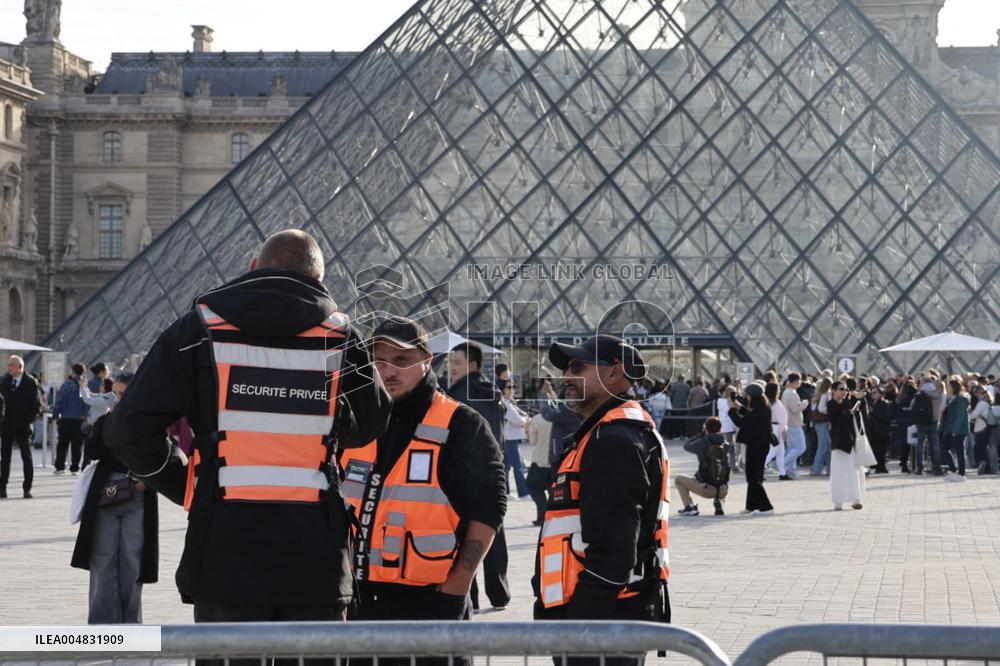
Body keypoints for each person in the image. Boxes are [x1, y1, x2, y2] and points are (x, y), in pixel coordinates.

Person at [105, 229, 391, 625]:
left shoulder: (198, 329)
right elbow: (372, 422)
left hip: (225, 547)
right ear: (318, 280)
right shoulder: (342, 338)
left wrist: (187, 483)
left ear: (253, 267)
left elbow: (127, 429)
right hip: (315, 554)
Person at [340, 317, 504, 663]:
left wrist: (456, 589)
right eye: (379, 361)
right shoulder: (357, 422)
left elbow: (490, 508)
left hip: (431, 607)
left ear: (426, 360)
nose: (388, 371)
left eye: (401, 360)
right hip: (358, 607)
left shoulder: (461, 423)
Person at [533, 335, 669, 636]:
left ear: (614, 372)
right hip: (608, 615)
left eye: (578, 367)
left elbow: (614, 552)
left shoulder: (612, 441)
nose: (566, 376)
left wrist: (578, 626)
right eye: (567, 368)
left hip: (600, 624)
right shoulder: (607, 432)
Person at [72, 373, 158, 624]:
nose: (119, 398)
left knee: (133, 562)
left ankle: (131, 623)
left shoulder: (150, 423)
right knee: (103, 560)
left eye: (124, 393)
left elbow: (165, 455)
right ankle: (101, 624)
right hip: (105, 496)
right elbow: (92, 451)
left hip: (137, 496)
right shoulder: (106, 420)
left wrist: (147, 481)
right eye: (116, 393)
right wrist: (108, 421)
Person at [446, 341, 511, 611]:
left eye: (456, 363)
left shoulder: (460, 394)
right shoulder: (493, 392)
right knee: (493, 533)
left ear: (472, 364)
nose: (451, 369)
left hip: (465, 472)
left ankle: (468, 596)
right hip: (492, 470)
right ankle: (500, 593)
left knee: (465, 537)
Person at [728, 385, 773, 514]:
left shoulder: (758, 410)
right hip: (760, 445)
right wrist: (738, 407)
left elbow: (741, 422)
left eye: (747, 396)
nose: (746, 398)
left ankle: (766, 506)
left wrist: (731, 410)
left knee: (753, 478)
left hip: (756, 446)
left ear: (752, 397)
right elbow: (750, 416)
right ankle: (751, 505)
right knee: (754, 476)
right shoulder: (763, 407)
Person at [1, 356, 41, 499]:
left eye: (11, 365)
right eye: (8, 365)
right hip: (6, 425)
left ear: (20, 367)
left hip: (23, 426)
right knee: (5, 458)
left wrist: (27, 421)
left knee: (26, 456)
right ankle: (2, 488)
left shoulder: (30, 382)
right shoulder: (4, 381)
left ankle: (27, 488)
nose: (9, 367)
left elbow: (36, 406)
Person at [674, 416, 729, 516]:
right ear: (720, 429)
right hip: (723, 490)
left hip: (706, 489)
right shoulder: (725, 444)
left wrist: (702, 434)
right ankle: (719, 501)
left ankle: (689, 507)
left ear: (706, 428)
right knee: (716, 472)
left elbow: (686, 446)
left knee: (678, 479)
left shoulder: (703, 442)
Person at [827, 382, 864, 510]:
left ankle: (856, 499)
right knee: (838, 472)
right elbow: (838, 419)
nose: (844, 391)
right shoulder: (831, 404)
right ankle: (838, 501)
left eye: (846, 389)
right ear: (833, 390)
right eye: (841, 389)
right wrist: (851, 409)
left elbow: (856, 420)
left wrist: (856, 408)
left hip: (850, 442)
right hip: (838, 443)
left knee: (853, 472)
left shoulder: (847, 403)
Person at [53, 363, 89, 475]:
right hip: (79, 419)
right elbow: (88, 401)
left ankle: (60, 467)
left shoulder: (66, 385)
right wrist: (85, 414)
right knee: (77, 445)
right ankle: (74, 467)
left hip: (66, 419)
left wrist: (55, 414)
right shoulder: (84, 385)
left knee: (62, 444)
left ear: (72, 371)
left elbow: (59, 400)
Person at [500, 380, 530, 498]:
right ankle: (524, 493)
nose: (512, 389)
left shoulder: (510, 403)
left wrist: (524, 420)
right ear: (503, 389)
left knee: (505, 467)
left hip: (510, 438)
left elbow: (523, 416)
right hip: (510, 439)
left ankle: (505, 492)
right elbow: (517, 419)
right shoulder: (505, 403)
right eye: (509, 387)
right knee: (518, 467)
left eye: (514, 387)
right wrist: (525, 421)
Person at [940, 379, 970, 482]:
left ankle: (961, 473)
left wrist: (955, 430)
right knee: (944, 448)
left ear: (954, 388)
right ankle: (953, 470)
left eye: (949, 386)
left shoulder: (960, 400)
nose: (947, 387)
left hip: (958, 430)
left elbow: (960, 416)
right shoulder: (950, 399)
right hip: (949, 429)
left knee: (959, 451)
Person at [526, 410, 552, 526]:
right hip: (556, 460)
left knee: (533, 487)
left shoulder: (537, 419)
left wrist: (527, 431)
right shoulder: (564, 417)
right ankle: (550, 515)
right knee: (554, 489)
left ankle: (543, 515)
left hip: (539, 460)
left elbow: (533, 441)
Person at [781, 373, 807, 479]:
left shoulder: (786, 392)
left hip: (788, 422)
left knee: (792, 448)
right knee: (801, 447)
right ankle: (782, 463)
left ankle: (792, 470)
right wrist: (804, 404)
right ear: (796, 381)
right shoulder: (792, 393)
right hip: (794, 423)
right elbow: (795, 409)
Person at [764, 382, 788, 479]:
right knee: (774, 451)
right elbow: (782, 420)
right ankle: (760, 467)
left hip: (771, 427)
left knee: (779, 452)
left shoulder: (767, 402)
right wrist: (784, 431)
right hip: (777, 428)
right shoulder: (777, 404)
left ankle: (782, 473)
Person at [809, 378, 832, 476]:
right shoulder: (825, 395)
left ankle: (829, 468)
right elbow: (822, 409)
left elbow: (814, 409)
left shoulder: (817, 396)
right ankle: (817, 469)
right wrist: (830, 410)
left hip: (818, 423)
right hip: (824, 422)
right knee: (823, 447)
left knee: (826, 446)